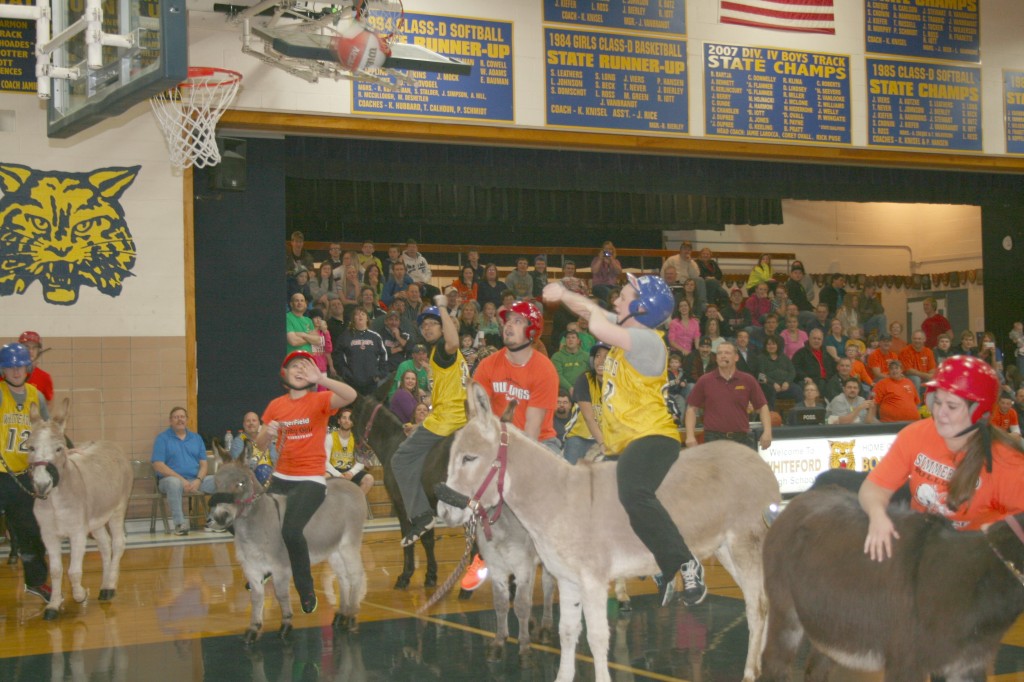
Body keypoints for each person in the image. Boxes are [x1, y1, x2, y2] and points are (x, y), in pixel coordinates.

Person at [545, 274, 708, 607]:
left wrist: (563, 292)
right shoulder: (627, 336)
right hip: (624, 444)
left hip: (653, 437)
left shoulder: (647, 341)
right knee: (603, 503)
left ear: (641, 307)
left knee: (633, 491)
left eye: (624, 295)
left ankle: (685, 560)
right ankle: (656, 562)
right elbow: (594, 313)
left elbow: (596, 322)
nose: (617, 299)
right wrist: (567, 296)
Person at [860, 356, 1024, 563]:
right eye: (937, 402)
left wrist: (995, 533)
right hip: (924, 545)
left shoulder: (1007, 461)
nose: (940, 413)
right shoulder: (915, 434)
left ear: (979, 412)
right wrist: (877, 516)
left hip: (977, 557)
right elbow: (874, 488)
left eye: (952, 406)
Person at [255, 350, 357, 613]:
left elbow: (351, 396)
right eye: (294, 367)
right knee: (259, 523)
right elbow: (259, 445)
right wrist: (266, 433)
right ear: (284, 375)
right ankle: (268, 566)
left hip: (310, 479)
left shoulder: (320, 399)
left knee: (290, 531)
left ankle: (305, 588)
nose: (299, 370)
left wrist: (323, 377)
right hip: (281, 477)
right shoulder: (276, 405)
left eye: (305, 366)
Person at [392, 303, 468, 547]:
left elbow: (454, 341)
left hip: (446, 421)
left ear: (444, 326)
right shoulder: (441, 355)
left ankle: (422, 515)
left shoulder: (444, 351)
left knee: (400, 459)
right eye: (423, 325)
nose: (426, 328)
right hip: (456, 417)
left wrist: (445, 309)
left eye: (432, 323)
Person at [474, 300, 561, 451]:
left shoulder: (544, 369)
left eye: (518, 321)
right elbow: (479, 414)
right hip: (498, 440)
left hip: (539, 442)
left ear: (532, 332)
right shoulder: (487, 365)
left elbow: (532, 429)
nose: (508, 324)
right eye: (508, 320)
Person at [0, 343, 51, 602]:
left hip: (22, 476)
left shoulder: (36, 396)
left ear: (27, 367)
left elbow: (47, 430)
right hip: (0, 473)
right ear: (2, 369)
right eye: (9, 366)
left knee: (31, 532)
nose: (15, 370)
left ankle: (37, 582)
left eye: (19, 365)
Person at [685, 339, 773, 446]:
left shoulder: (748, 380)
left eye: (727, 353)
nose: (723, 355)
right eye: (719, 353)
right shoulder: (705, 380)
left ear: (736, 357)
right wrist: (690, 435)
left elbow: (762, 406)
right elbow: (691, 409)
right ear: (716, 358)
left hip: (741, 438)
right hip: (714, 439)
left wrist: (767, 432)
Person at [151, 407, 216, 536]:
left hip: (194, 480)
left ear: (187, 420)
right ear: (170, 421)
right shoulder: (162, 438)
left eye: (182, 417)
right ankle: (179, 524)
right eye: (176, 417)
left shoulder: (196, 438)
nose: (180, 419)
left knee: (220, 481)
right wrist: (182, 480)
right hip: (169, 481)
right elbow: (158, 465)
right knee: (174, 482)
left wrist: (198, 480)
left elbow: (203, 465)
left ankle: (213, 520)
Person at [562, 342, 610, 465]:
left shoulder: (620, 383)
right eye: (598, 356)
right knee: (571, 474)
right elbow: (589, 418)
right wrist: (602, 444)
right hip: (581, 435)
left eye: (606, 356)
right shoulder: (584, 379)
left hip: (609, 436)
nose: (601, 361)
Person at [336, 309, 388, 396]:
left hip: (371, 382)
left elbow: (384, 356)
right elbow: (337, 355)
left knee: (369, 408)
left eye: (363, 314)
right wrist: (345, 373)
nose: (360, 316)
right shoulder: (345, 336)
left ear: (367, 318)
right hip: (351, 381)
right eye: (357, 314)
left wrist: (380, 374)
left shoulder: (375, 337)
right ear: (353, 319)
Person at [325, 407, 374, 496]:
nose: (347, 421)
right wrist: (338, 475)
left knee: (369, 479)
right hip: (334, 470)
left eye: (350, 418)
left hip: (350, 471)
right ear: (339, 421)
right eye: (344, 418)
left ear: (353, 422)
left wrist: (351, 473)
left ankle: (356, 505)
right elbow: (325, 462)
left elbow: (361, 461)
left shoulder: (358, 439)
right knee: (324, 477)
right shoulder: (329, 437)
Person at [229, 411, 277, 486]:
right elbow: (239, 463)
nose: (251, 423)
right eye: (248, 421)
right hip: (251, 478)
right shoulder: (239, 441)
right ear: (244, 425)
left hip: (272, 476)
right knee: (263, 469)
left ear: (259, 424)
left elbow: (277, 460)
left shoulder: (267, 439)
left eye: (254, 420)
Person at [757, 335, 800, 411]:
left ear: (777, 345)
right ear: (765, 346)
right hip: (770, 387)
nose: (771, 346)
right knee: (770, 391)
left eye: (773, 344)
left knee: (797, 389)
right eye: (769, 344)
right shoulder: (761, 358)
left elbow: (792, 371)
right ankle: (771, 416)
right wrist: (773, 383)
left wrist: (787, 382)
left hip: (785, 386)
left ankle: (799, 414)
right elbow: (761, 376)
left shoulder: (783, 357)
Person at [792, 328, 838, 393]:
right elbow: (795, 368)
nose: (816, 341)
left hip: (827, 381)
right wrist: (804, 377)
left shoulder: (826, 353)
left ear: (822, 341)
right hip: (810, 381)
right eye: (814, 338)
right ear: (809, 339)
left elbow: (833, 368)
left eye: (819, 339)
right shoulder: (800, 353)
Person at [15, 331, 54, 402]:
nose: (30, 351)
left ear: (38, 351)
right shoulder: (7, 373)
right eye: (26, 347)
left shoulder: (44, 377)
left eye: (34, 348)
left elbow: (49, 403)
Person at [899, 330, 937, 394]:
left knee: (935, 380)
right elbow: (909, 371)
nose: (917, 341)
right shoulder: (905, 351)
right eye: (915, 339)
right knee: (916, 379)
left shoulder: (928, 351)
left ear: (924, 339)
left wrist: (931, 376)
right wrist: (926, 375)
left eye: (919, 339)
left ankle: (930, 403)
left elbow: (932, 369)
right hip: (908, 377)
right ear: (911, 339)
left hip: (924, 377)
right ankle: (916, 403)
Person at [551, 329, 589, 394]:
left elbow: (590, 373)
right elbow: (557, 375)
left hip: (583, 390)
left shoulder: (586, 356)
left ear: (578, 341)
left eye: (573, 337)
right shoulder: (557, 356)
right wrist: (570, 388)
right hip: (563, 391)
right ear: (565, 341)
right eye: (568, 337)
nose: (570, 340)